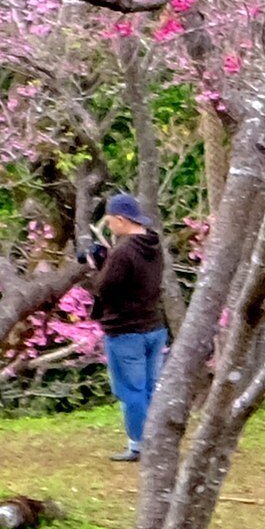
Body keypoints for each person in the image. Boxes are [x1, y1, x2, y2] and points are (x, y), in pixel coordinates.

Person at [90, 195, 173, 462]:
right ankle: (158, 441)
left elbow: (104, 288)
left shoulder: (124, 252)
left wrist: (98, 265)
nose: (110, 227)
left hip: (126, 331)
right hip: (153, 326)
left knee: (131, 391)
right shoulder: (153, 244)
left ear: (121, 220)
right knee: (151, 388)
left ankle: (138, 444)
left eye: (111, 221)